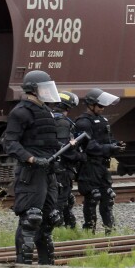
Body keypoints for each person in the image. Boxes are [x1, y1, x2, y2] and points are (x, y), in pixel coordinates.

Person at [2, 70, 62, 264]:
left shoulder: (46, 110)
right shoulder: (21, 112)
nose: (48, 92)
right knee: (31, 218)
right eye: (44, 88)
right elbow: (10, 143)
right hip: (31, 172)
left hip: (49, 172)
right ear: (33, 90)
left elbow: (47, 141)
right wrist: (31, 159)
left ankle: (47, 266)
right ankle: (23, 265)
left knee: (49, 219)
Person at [75, 88, 124, 234]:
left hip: (104, 164)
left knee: (108, 196)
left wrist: (116, 146)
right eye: (100, 106)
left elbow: (108, 139)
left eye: (104, 106)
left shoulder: (103, 120)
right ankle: (89, 231)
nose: (103, 109)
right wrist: (109, 148)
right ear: (91, 105)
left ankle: (110, 230)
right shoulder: (83, 122)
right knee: (92, 196)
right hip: (90, 165)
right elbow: (88, 146)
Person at [52, 91, 84, 229]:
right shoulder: (63, 123)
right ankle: (55, 229)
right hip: (62, 168)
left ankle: (68, 226)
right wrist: (80, 156)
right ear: (68, 107)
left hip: (54, 167)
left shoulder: (49, 118)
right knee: (60, 200)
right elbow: (63, 148)